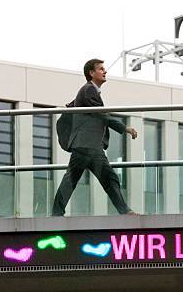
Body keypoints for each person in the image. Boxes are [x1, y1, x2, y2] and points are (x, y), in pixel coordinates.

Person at [52, 58, 138, 216]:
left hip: (90, 146)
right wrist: (124, 128)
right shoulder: (88, 90)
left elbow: (81, 109)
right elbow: (101, 114)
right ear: (91, 73)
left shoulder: (87, 91)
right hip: (87, 145)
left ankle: (124, 211)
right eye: (100, 69)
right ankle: (124, 211)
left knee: (103, 179)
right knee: (83, 179)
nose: (105, 71)